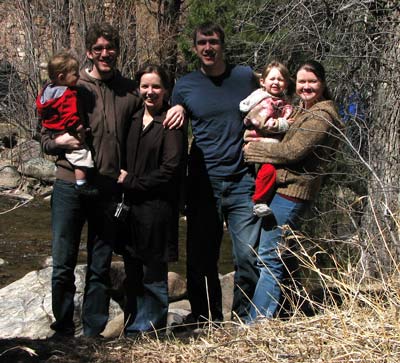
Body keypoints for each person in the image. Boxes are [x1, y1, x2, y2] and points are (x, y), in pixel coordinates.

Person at [41, 23, 185, 338]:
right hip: (69, 183)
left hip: (107, 189)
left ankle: (93, 332)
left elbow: (154, 103)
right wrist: (60, 143)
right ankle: (64, 328)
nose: (105, 53)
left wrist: (178, 106)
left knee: (100, 263)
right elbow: (45, 137)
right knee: (63, 261)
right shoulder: (73, 85)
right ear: (89, 52)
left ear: (117, 50)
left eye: (110, 48)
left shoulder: (129, 90)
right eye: (98, 48)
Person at [171, 22, 262, 324]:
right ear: (195, 47)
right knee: (200, 258)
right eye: (201, 43)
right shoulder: (184, 86)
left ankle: (241, 318)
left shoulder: (245, 77)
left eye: (213, 42)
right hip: (203, 183)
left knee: (247, 256)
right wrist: (180, 109)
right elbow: (170, 122)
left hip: (242, 180)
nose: (208, 48)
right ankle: (203, 318)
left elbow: (273, 95)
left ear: (223, 44)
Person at [243, 60, 344, 322]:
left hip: (293, 193)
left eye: (312, 81)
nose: (306, 86)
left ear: (322, 83)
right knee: (284, 254)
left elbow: (293, 151)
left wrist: (255, 151)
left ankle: (258, 322)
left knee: (269, 256)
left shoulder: (322, 115)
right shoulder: (303, 110)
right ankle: (290, 311)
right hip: (286, 189)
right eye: (302, 82)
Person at [117, 64, 184, 336]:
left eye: (156, 86)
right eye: (145, 86)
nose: (150, 92)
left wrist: (132, 181)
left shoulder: (171, 122)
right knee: (133, 269)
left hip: (157, 209)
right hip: (131, 208)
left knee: (154, 272)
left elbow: (171, 169)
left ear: (166, 90)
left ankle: (150, 330)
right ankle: (133, 325)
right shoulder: (132, 119)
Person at [37, 52, 98, 196]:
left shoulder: (47, 91)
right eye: (75, 74)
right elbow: (69, 114)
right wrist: (78, 127)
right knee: (80, 153)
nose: (78, 76)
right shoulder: (67, 94)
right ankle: (81, 184)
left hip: (53, 129)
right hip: (68, 129)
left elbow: (41, 109)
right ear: (61, 77)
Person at [239, 61, 293, 218]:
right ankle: (259, 202)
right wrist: (283, 124)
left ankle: (264, 199)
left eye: (281, 79)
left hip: (271, 145)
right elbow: (260, 122)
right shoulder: (262, 101)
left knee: (271, 172)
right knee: (268, 170)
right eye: (272, 78)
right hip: (258, 143)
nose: (276, 82)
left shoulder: (281, 101)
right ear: (263, 81)